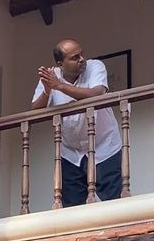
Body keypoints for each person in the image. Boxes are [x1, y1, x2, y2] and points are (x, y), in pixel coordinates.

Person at [31, 39, 122, 208]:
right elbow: (36, 108)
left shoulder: (95, 66)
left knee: (114, 202)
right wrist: (48, 89)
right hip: (71, 152)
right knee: (72, 207)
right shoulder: (51, 77)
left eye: (81, 54)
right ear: (60, 63)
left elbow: (97, 93)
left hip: (104, 146)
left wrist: (60, 86)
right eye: (75, 57)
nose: (82, 59)